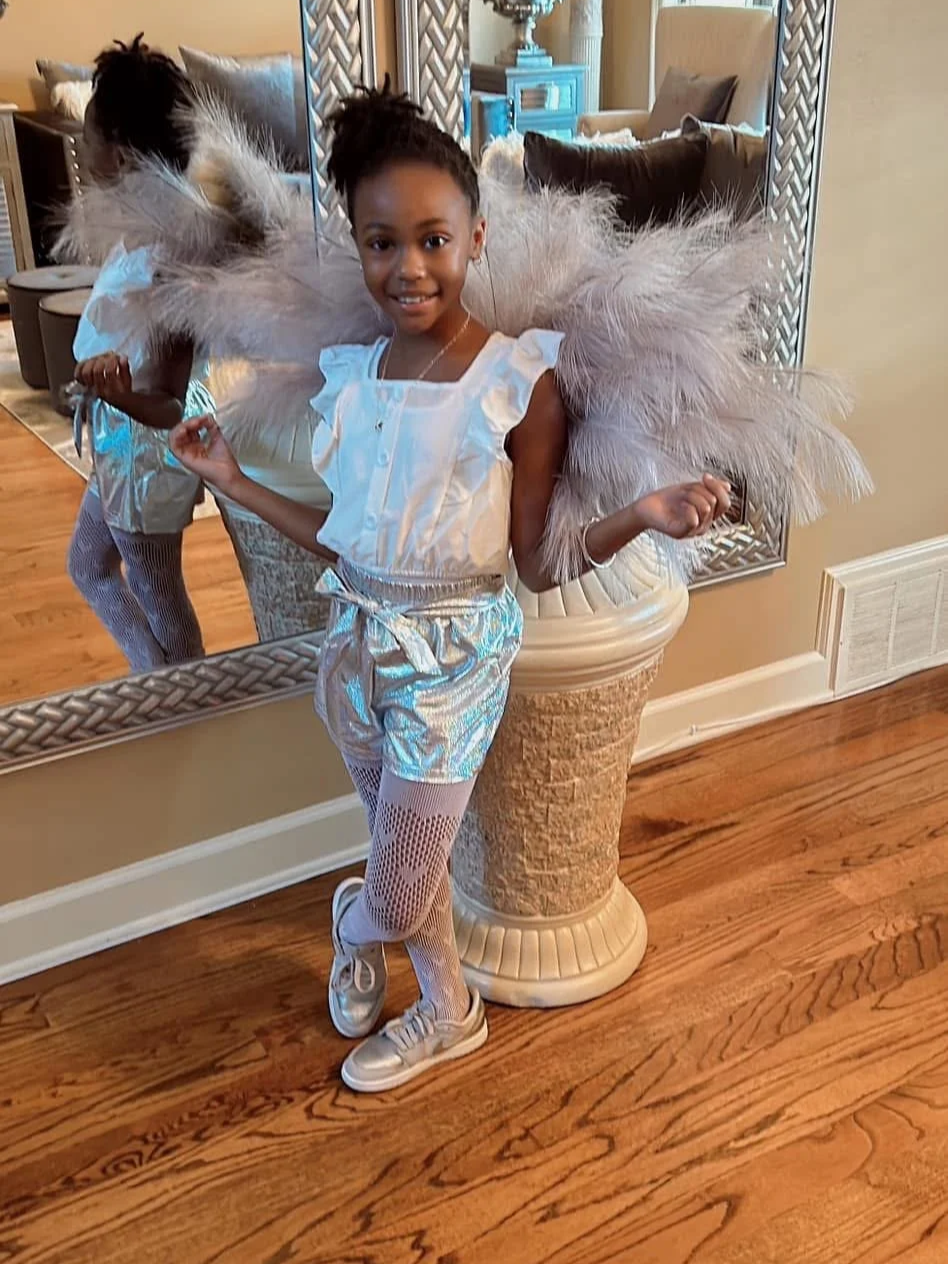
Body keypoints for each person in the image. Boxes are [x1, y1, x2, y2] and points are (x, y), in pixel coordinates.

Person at [169, 82, 732, 1093]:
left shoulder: (520, 382)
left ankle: (359, 921)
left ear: (475, 236)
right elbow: (343, 548)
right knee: (407, 858)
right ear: (358, 246)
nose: (409, 265)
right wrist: (233, 481)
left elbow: (539, 562)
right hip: (357, 654)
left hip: (457, 663)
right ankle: (447, 1007)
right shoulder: (358, 377)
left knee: (397, 880)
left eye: (433, 238)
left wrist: (643, 513)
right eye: (381, 242)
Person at [66, 35, 212, 672]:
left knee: (161, 597)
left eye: (88, 133)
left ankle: (181, 708)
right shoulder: (144, 234)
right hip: (117, 448)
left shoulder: (172, 256)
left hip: (145, 464)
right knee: (87, 566)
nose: (80, 144)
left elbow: (168, 399)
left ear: (120, 153)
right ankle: (157, 691)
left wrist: (116, 391)